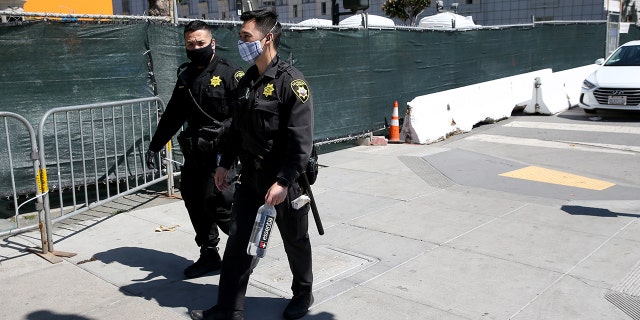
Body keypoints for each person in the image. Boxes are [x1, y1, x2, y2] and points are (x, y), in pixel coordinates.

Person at [190, 8, 315, 320]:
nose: (241, 42)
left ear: (267, 38)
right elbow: (236, 130)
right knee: (239, 244)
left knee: (295, 241)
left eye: (246, 37)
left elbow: (301, 141)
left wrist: (284, 181)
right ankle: (229, 308)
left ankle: (303, 293)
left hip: (285, 182)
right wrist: (223, 164)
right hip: (252, 180)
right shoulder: (247, 80)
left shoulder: (291, 83)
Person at [146, 20, 244, 279]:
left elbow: (245, 115)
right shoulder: (185, 77)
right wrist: (155, 145)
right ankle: (209, 253)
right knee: (193, 199)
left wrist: (223, 129)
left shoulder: (230, 74)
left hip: (222, 155)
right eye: (190, 44)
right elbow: (172, 116)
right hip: (196, 154)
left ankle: (244, 250)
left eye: (200, 43)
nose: (195, 47)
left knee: (219, 204)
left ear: (212, 43)